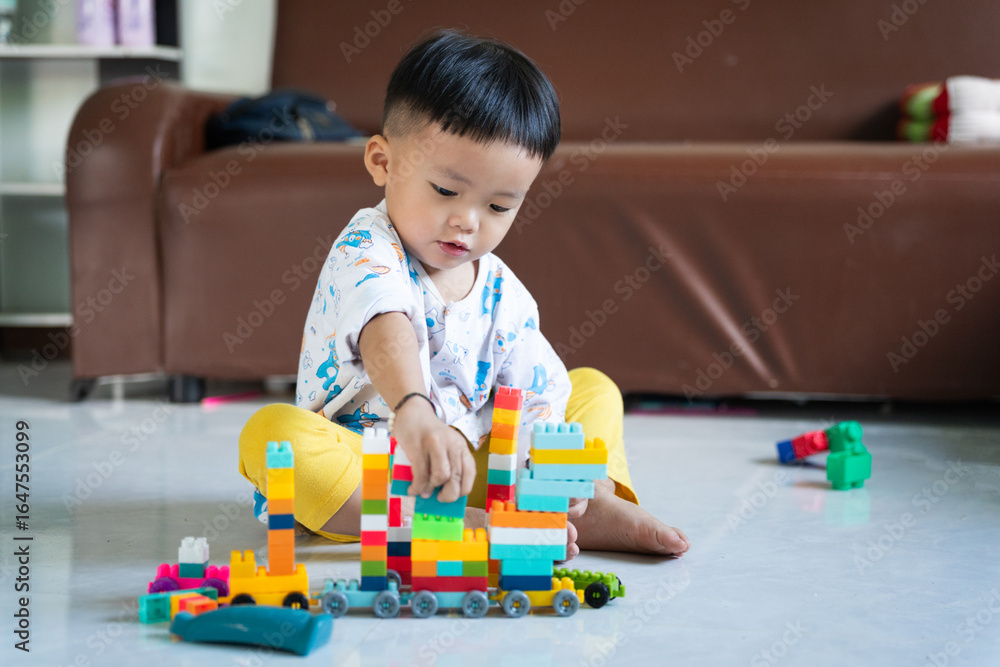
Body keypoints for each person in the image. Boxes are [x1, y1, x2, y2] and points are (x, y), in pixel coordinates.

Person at [239, 30, 689, 559]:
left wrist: (553, 464)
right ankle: (452, 524)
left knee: (593, 389)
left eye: (499, 207)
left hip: (482, 468)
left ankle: (587, 504)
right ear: (383, 162)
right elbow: (388, 326)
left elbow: (533, 391)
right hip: (377, 472)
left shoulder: (503, 290)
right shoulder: (367, 247)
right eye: (447, 191)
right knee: (272, 437)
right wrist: (414, 413)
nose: (467, 222)